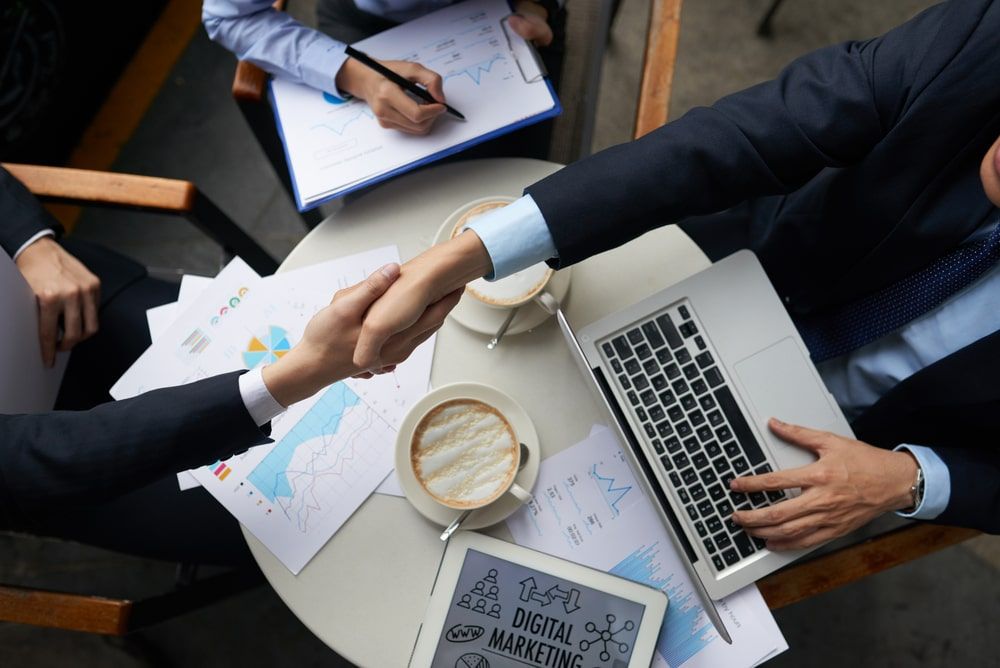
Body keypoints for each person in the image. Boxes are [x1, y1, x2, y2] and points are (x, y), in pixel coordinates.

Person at [345, 0, 1000, 545]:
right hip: (738, 272)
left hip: (859, 448)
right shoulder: (986, 39)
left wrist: (912, 481)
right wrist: (470, 253)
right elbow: (748, 135)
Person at [0, 166, 458, 565]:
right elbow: (41, 458)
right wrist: (296, 374)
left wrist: (29, 241)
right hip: (50, 476)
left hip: (57, 300)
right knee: (310, 530)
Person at [202, 0, 565, 156]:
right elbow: (229, 16)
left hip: (505, 16)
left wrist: (535, 6)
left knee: (533, 166)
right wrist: (354, 74)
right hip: (365, 24)